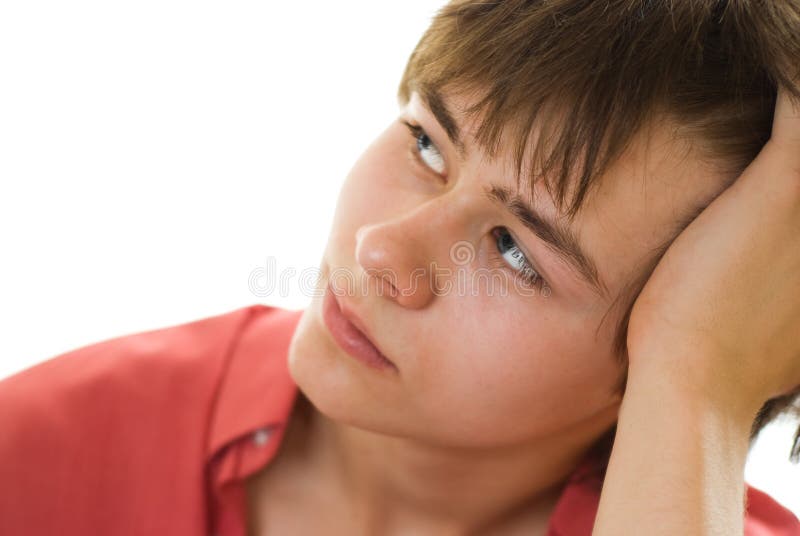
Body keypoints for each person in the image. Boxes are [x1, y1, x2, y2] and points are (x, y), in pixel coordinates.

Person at [2, 1, 800, 534]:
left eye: (515, 252)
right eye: (427, 144)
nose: (381, 250)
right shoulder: (46, 451)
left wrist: (697, 385)